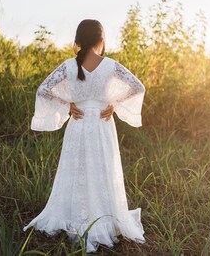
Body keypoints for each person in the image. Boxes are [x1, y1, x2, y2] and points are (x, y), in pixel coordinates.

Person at [22, 19, 146, 253]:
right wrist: (114, 104)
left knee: (76, 168)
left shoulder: (69, 65)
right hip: (102, 123)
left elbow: (44, 90)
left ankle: (74, 214)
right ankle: (104, 215)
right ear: (101, 40)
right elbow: (137, 87)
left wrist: (68, 104)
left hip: (78, 124)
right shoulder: (111, 66)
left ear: (78, 41)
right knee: (102, 168)